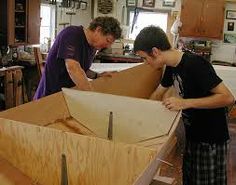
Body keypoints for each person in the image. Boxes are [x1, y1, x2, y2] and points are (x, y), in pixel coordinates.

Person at [133, 26, 235, 185]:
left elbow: (228, 98)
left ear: (155, 51)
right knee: (190, 179)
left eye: (145, 58)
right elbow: (158, 93)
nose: (145, 63)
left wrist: (185, 103)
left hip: (211, 138)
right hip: (193, 134)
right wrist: (139, 114)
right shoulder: (170, 66)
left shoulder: (195, 64)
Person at [33, 16, 122, 100]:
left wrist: (97, 75)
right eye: (107, 41)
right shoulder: (72, 34)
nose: (108, 45)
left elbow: (82, 69)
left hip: (67, 96)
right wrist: (92, 96)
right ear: (98, 30)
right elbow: (73, 68)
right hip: (50, 95)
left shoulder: (93, 47)